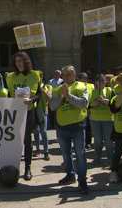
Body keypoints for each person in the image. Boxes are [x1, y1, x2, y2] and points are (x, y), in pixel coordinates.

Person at [49, 65, 90, 194]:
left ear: (74, 75)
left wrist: (68, 96)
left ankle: (82, 180)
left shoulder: (83, 87)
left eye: (68, 75)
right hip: (62, 128)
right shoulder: (58, 89)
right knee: (66, 154)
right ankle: (70, 175)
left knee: (80, 154)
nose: (65, 77)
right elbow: (52, 107)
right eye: (64, 75)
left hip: (77, 127)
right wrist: (61, 97)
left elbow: (83, 104)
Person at [6, 51, 42, 181]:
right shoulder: (10, 76)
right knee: (15, 140)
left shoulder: (35, 75)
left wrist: (32, 100)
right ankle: (14, 167)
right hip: (15, 111)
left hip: (29, 111)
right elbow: (8, 94)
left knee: (27, 140)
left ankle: (28, 168)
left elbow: (39, 94)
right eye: (16, 61)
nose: (18, 63)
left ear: (26, 61)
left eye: (20, 61)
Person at [89, 74, 116, 166]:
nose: (103, 82)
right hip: (95, 119)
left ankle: (110, 158)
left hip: (108, 119)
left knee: (108, 140)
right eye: (101, 80)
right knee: (98, 140)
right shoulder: (91, 92)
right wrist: (92, 104)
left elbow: (115, 104)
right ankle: (97, 157)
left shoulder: (110, 90)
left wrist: (104, 100)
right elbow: (87, 104)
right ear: (96, 82)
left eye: (104, 80)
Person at [32, 70, 52, 161]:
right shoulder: (33, 87)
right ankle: (38, 149)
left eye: (39, 77)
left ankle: (46, 151)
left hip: (44, 112)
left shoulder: (48, 87)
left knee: (43, 131)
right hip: (35, 111)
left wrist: (42, 90)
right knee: (36, 131)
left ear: (42, 77)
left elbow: (49, 98)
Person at [109, 78, 122, 183]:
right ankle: (113, 172)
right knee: (118, 152)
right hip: (120, 130)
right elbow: (114, 109)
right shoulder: (116, 98)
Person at [78, 72, 94, 150]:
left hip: (89, 107)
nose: (84, 80)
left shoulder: (90, 86)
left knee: (88, 127)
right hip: (79, 108)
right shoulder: (77, 86)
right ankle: (81, 143)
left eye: (85, 78)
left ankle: (88, 143)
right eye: (82, 78)